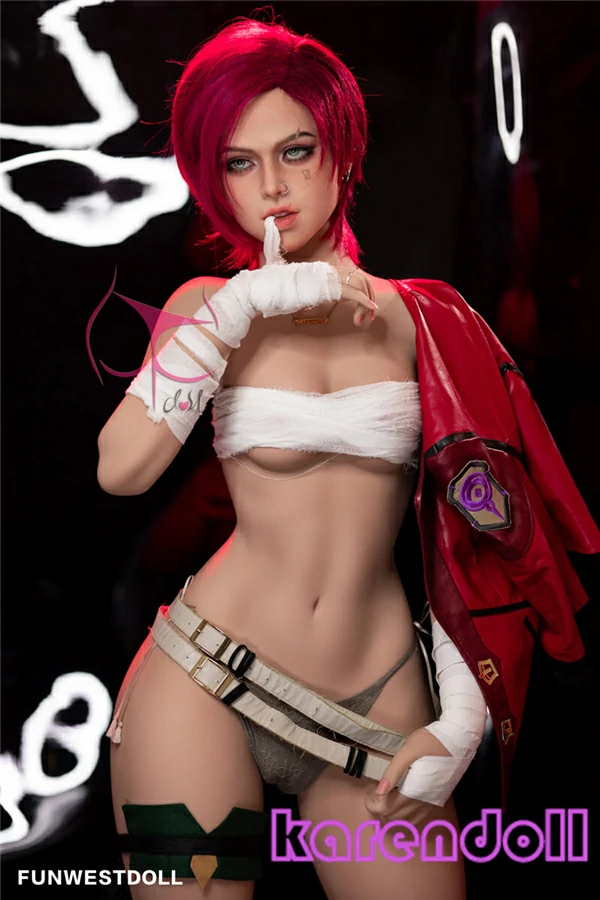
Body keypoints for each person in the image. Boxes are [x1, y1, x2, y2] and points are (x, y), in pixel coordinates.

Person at [98, 16, 599, 900]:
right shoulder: (207, 305)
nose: (272, 187)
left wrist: (465, 713)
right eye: (239, 163)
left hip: (377, 699)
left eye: (296, 151)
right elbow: (122, 468)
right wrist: (235, 313)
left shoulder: (427, 320)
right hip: (207, 675)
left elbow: (490, 531)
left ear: (341, 150)